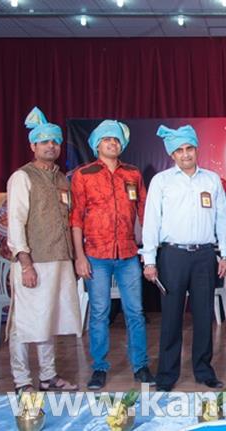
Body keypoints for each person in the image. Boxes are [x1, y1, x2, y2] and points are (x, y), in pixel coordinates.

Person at [141, 124, 226, 391]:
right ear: (172, 154)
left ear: (196, 149)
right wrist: (149, 259)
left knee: (203, 315)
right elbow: (151, 221)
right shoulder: (162, 181)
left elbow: (222, 219)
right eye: (179, 150)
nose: (186, 154)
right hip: (172, 256)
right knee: (171, 317)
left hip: (205, 255)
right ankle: (167, 375)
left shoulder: (211, 179)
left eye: (189, 148)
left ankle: (204, 370)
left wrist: (225, 254)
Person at [70, 120, 154, 390]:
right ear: (97, 145)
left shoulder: (133, 173)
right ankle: (99, 367)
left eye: (116, 139)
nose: (112, 143)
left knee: (135, 312)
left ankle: (140, 365)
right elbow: (76, 218)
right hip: (96, 254)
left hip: (128, 254)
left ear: (122, 144)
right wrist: (79, 256)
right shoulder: (84, 175)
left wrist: (148, 250)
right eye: (107, 139)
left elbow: (145, 213)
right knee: (99, 312)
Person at [6, 107, 81, 393]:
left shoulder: (62, 179)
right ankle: (22, 380)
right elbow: (16, 221)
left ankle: (48, 377)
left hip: (59, 259)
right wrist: (25, 263)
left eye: (55, 141)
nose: (51, 146)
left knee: (47, 319)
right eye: (44, 142)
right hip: (33, 261)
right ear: (33, 146)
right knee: (25, 322)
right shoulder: (22, 177)